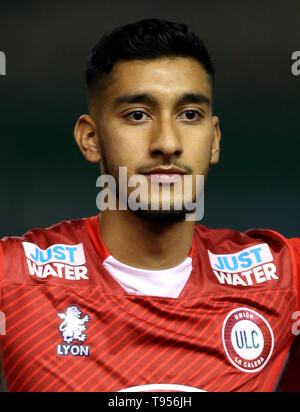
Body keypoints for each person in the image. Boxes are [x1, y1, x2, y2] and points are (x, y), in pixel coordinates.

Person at [0, 18, 299, 393]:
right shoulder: (14, 279)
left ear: (215, 140)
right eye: (138, 115)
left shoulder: (284, 279)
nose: (168, 143)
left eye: (190, 115)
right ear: (90, 139)